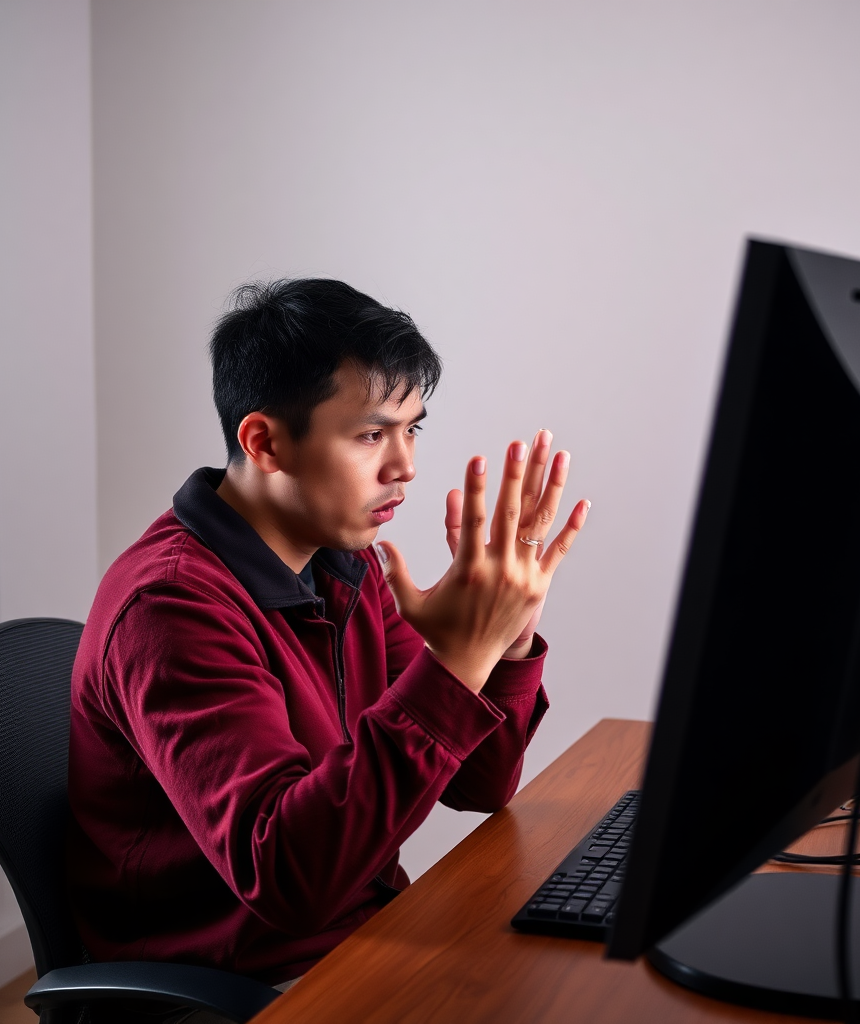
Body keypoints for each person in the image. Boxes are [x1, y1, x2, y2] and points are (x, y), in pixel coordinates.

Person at [67, 279, 588, 992]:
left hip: (363, 941)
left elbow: (479, 783)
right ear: (266, 442)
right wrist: (459, 659)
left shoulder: (347, 566)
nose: (404, 465)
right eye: (372, 434)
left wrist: (508, 637)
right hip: (239, 987)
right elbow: (288, 878)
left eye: (413, 430)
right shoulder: (171, 604)